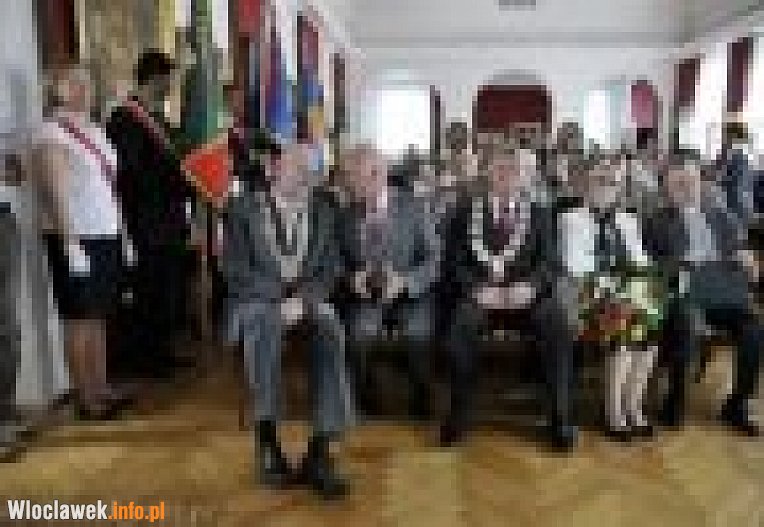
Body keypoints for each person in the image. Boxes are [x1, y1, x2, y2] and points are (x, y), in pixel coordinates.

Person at [222, 139, 352, 498]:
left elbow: (332, 268)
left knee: (330, 326)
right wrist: (279, 297)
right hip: (256, 299)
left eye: (312, 171)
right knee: (263, 326)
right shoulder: (242, 209)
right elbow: (234, 270)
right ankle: (267, 440)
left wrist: (303, 299)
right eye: (298, 168)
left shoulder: (325, 209)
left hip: (308, 298)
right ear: (274, 169)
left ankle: (320, 449)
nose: (306, 176)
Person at [439, 148, 579, 449]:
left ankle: (560, 418)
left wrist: (531, 287)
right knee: (461, 324)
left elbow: (550, 263)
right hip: (482, 294)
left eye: (513, 170)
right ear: (488, 174)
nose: (506, 176)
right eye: (499, 169)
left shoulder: (539, 213)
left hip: (526, 296)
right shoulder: (464, 212)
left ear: (522, 176)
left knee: (557, 323)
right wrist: (476, 289)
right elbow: (453, 263)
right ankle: (459, 412)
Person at [643, 151, 761, 436]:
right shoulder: (656, 221)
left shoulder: (723, 217)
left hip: (724, 293)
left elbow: (742, 253)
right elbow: (651, 264)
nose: (685, 188)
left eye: (690, 181)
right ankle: (675, 401)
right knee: (686, 319)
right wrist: (682, 264)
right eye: (678, 183)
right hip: (685, 292)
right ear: (667, 187)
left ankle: (737, 405)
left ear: (701, 181)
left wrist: (748, 261)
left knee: (754, 328)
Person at [38, 66, 131, 418]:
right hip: (76, 237)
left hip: (104, 232)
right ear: (57, 90)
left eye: (87, 84)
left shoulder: (94, 130)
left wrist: (123, 232)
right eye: (75, 84)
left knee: (99, 314)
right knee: (79, 318)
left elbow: (110, 186)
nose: (85, 90)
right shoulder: (51, 132)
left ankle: (101, 388)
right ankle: (86, 399)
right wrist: (69, 242)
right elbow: (55, 191)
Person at [560, 153, 660, 440]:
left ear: (620, 188)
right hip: (583, 291)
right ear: (586, 184)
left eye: (613, 183)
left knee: (649, 326)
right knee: (624, 320)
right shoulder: (570, 219)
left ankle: (633, 406)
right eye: (600, 181)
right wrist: (618, 284)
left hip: (623, 291)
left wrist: (639, 280)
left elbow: (640, 259)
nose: (606, 187)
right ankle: (613, 412)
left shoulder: (629, 220)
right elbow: (575, 265)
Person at [335, 145, 439, 419]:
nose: (347, 184)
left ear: (377, 175)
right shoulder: (346, 214)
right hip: (367, 294)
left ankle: (421, 396)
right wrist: (352, 278)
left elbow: (434, 258)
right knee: (358, 333)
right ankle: (367, 397)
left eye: (352, 177)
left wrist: (404, 282)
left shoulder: (414, 206)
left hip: (410, 293)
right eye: (347, 177)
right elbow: (337, 261)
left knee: (417, 334)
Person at [105, 50, 192, 378]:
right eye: (168, 80)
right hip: (143, 220)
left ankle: (162, 351)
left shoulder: (160, 121)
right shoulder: (124, 120)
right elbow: (129, 172)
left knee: (167, 287)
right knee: (148, 288)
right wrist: (173, 177)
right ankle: (145, 357)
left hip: (167, 218)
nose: (170, 87)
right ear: (154, 79)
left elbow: (174, 163)